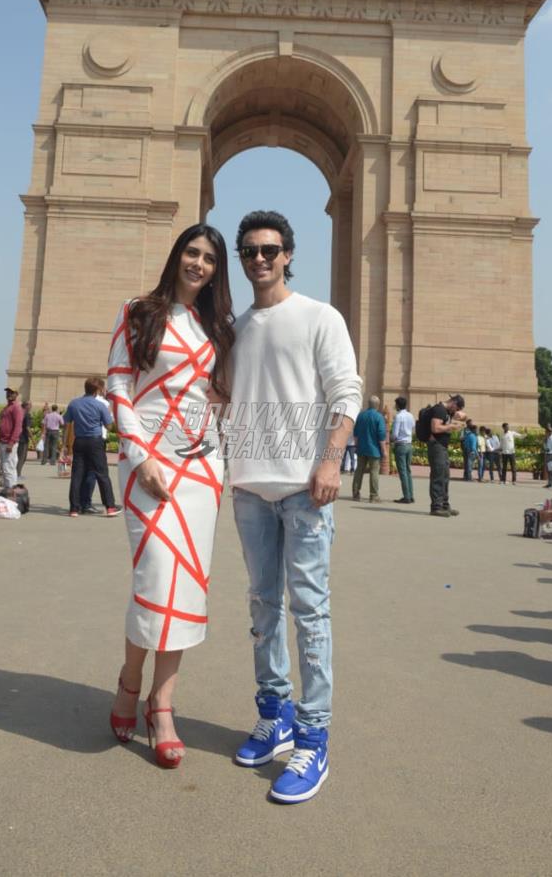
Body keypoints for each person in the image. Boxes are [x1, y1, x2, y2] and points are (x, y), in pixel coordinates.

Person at [227, 210, 362, 805]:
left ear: (288, 254)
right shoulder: (233, 327)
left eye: (270, 249)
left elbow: (346, 392)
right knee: (262, 608)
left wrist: (331, 459)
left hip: (306, 490)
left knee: (309, 613)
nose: (260, 258)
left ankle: (314, 736)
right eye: (250, 250)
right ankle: (274, 713)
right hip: (250, 487)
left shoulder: (319, 316)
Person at [106, 223, 234, 770]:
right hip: (147, 466)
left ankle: (161, 705)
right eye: (191, 252)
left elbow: (226, 398)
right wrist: (141, 457)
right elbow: (117, 384)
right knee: (156, 575)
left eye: (208, 258)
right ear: (176, 255)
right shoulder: (138, 311)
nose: (198, 264)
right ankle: (130, 681)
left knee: (186, 589)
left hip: (201, 471)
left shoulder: (220, 328)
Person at [63, 377, 121, 517]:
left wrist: (65, 445)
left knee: (77, 475)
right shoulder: (100, 405)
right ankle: (110, 507)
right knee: (102, 474)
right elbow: (109, 426)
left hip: (80, 441)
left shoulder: (74, 403)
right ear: (97, 390)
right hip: (95, 441)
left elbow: (66, 423)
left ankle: (74, 508)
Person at [426, 395, 467, 516]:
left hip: (442, 447)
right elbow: (435, 428)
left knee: (445, 476)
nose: (456, 412)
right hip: (436, 446)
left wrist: (463, 416)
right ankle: (436, 507)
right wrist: (451, 426)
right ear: (453, 403)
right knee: (438, 475)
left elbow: (463, 418)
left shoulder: (447, 412)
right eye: (457, 408)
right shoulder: (439, 410)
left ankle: (444, 504)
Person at [352, 395, 387, 503]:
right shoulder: (379, 417)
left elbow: (356, 433)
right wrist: (384, 450)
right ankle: (373, 495)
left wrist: (357, 446)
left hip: (362, 448)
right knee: (374, 472)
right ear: (378, 405)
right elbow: (381, 435)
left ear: (368, 404)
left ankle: (356, 493)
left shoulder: (361, 416)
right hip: (374, 449)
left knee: (359, 471)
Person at [390, 395, 415, 504]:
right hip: (409, 444)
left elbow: (395, 434)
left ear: (398, 405)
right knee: (408, 471)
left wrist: (390, 440)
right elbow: (413, 427)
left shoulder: (398, 416)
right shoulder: (410, 415)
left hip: (400, 444)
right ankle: (411, 494)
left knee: (403, 472)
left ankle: (406, 496)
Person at [0, 387, 24, 490]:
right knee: (7, 469)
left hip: (9, 442)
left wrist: (11, 442)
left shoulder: (16, 408)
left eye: (11, 392)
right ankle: (9, 491)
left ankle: (11, 493)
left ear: (16, 394)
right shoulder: (7, 407)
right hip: (4, 441)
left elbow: (18, 426)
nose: (9, 394)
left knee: (8, 468)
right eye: (8, 392)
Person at [16, 401, 32, 478]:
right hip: (24, 438)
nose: (31, 407)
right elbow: (28, 428)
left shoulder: (19, 412)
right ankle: (17, 473)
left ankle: (16, 473)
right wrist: (33, 439)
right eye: (30, 405)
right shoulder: (27, 415)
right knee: (22, 457)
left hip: (17, 437)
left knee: (18, 456)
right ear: (26, 406)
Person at [543, 425, 552, 489]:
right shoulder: (547, 438)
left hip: (551, 455)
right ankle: (549, 483)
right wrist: (545, 444)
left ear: (550, 432)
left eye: (547, 432)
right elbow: (545, 446)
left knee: (551, 470)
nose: (546, 433)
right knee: (548, 470)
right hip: (547, 454)